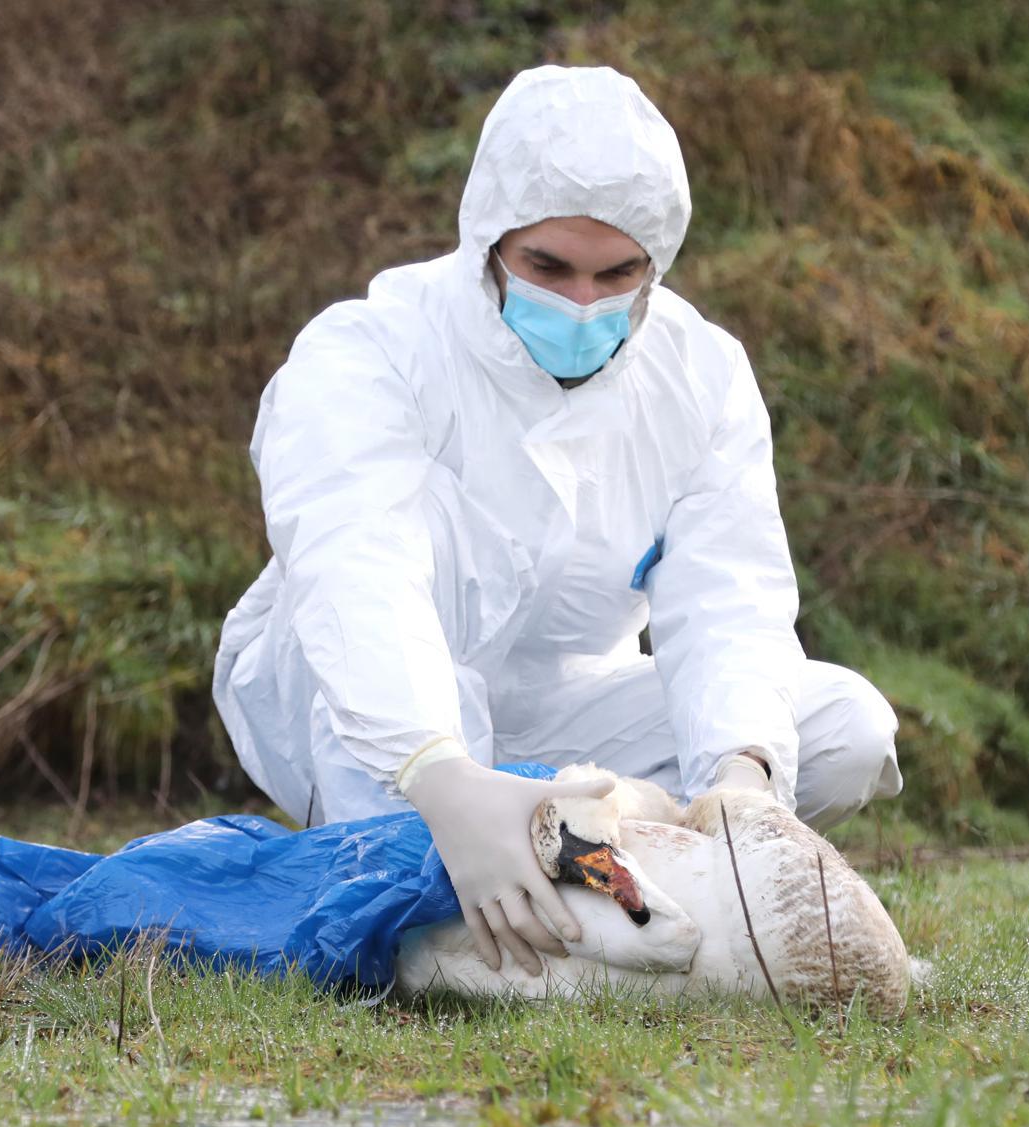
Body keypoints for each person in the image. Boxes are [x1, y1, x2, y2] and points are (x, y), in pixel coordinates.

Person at [212, 64, 902, 978]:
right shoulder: (370, 349)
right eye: (548, 268)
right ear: (489, 241)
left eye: (616, 274)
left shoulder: (701, 377)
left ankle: (593, 859)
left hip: (565, 711)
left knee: (842, 730)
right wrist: (443, 779)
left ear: (657, 263)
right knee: (418, 616)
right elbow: (355, 573)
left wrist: (742, 779)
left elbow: (727, 598)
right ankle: (441, 864)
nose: (583, 304)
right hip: (361, 704)